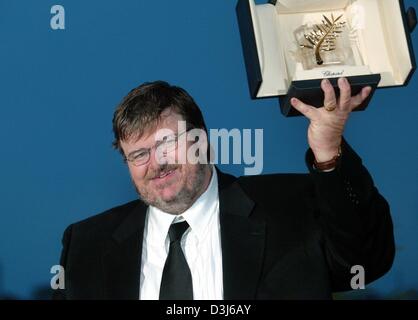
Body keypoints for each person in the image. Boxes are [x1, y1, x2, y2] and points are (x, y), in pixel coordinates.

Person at [53, 78, 394, 299]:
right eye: (138, 154)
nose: (156, 164)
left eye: (168, 143)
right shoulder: (86, 245)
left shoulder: (292, 207)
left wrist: (329, 152)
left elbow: (363, 263)